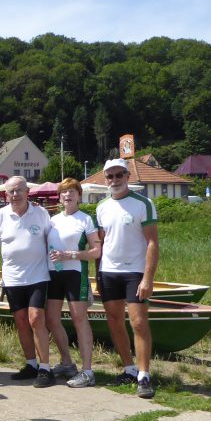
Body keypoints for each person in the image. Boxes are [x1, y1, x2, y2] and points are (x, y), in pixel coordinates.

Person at [0, 176, 56, 388]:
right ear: (6, 195)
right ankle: (31, 364)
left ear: (27, 192)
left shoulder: (41, 214)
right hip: (13, 278)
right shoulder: (0, 216)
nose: (15, 195)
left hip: (38, 275)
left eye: (19, 191)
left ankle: (45, 368)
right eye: (11, 192)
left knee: (35, 319)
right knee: (21, 321)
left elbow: (52, 241)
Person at [95, 158, 159, 399]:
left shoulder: (143, 204)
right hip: (108, 272)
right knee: (113, 320)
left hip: (135, 272)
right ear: (105, 179)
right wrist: (97, 274)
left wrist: (148, 278)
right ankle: (129, 369)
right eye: (110, 177)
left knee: (139, 323)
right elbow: (101, 243)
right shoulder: (101, 207)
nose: (114, 180)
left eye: (118, 175)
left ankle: (144, 375)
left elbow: (153, 242)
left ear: (127, 176)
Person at [45, 178, 102, 388]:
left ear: (79, 196)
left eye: (72, 192)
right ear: (59, 197)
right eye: (63, 192)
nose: (67, 195)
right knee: (51, 319)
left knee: (79, 319)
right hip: (53, 275)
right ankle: (67, 363)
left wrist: (72, 254)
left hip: (75, 274)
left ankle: (87, 371)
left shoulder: (85, 219)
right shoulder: (52, 220)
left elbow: (96, 251)